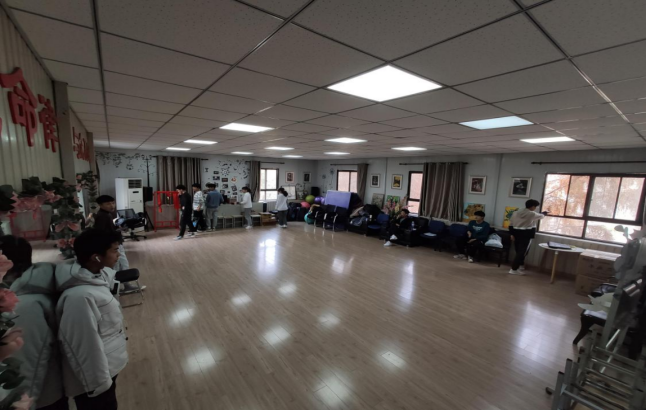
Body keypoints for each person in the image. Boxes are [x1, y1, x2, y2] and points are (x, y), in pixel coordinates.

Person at [55, 229, 128, 410]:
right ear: (96, 257)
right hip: (96, 381)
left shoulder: (96, 277)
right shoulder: (80, 297)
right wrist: (99, 384)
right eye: (114, 250)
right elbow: (84, 346)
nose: (118, 254)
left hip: (108, 368)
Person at [0, 236, 67, 410]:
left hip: (39, 399)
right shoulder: (25, 291)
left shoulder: (23, 306)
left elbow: (26, 365)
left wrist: (18, 405)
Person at [92, 195, 144, 293]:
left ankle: (123, 286)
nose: (112, 205)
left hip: (115, 243)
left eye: (113, 203)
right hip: (112, 245)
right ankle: (117, 288)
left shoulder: (106, 214)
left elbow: (108, 230)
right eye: (108, 204)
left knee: (121, 264)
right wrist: (117, 232)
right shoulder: (103, 216)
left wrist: (117, 229)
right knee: (119, 265)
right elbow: (102, 233)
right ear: (100, 205)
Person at [508, 199, 548, 275]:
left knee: (518, 251)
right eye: (535, 206)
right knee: (522, 252)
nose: (535, 208)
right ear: (532, 206)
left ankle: (520, 266)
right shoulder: (531, 214)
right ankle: (514, 269)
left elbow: (510, 224)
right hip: (526, 235)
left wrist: (511, 234)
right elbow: (541, 216)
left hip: (516, 234)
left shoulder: (516, 212)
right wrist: (544, 213)